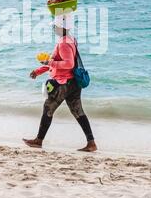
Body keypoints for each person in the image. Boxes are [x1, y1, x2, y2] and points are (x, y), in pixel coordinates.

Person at [23, 15, 97, 152]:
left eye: (55, 26)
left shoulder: (63, 43)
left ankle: (38, 141)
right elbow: (57, 61)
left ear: (62, 27)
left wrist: (48, 62)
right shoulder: (71, 39)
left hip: (64, 83)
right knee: (78, 112)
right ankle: (91, 143)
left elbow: (68, 64)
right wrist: (39, 70)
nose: (53, 28)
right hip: (74, 83)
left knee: (48, 108)